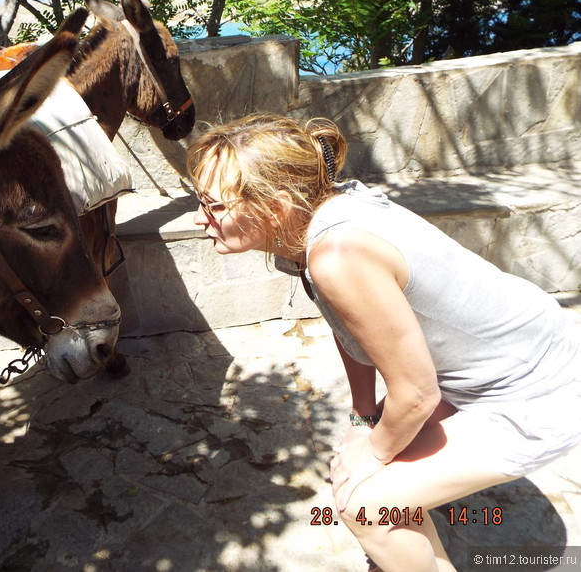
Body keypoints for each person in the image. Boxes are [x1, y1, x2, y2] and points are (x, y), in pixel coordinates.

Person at [186, 113, 581, 572]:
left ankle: (393, 542)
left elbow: (417, 394)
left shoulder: (336, 255)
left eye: (213, 204)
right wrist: (362, 415)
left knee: (364, 506)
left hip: (543, 395)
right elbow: (352, 331)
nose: (200, 217)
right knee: (383, 463)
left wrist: (371, 453)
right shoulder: (324, 210)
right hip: (531, 351)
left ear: (275, 208)